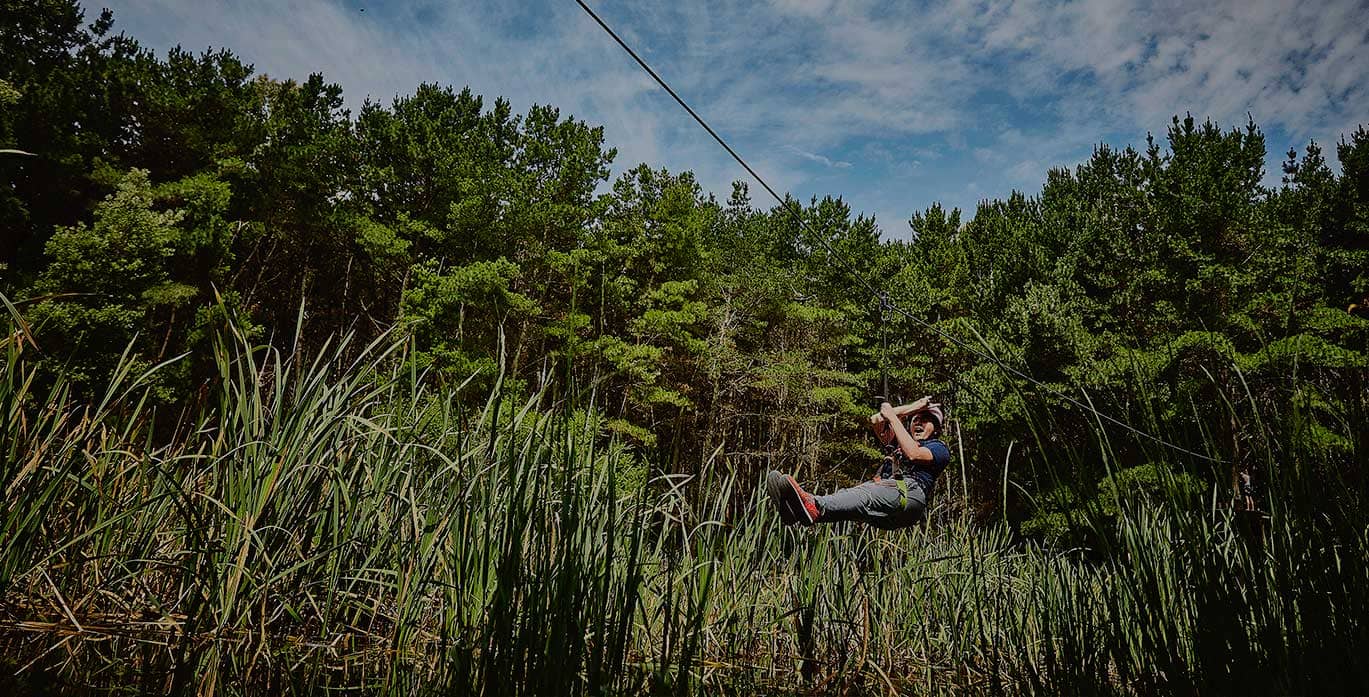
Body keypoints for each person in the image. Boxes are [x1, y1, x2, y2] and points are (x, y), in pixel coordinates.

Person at [766, 396, 951, 529]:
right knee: (852, 501)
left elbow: (913, 453)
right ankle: (798, 514)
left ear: (936, 429)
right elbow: (877, 419)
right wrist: (912, 407)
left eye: (926, 420)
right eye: (916, 419)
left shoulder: (937, 447)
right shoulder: (897, 443)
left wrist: (893, 416)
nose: (919, 423)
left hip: (909, 495)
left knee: (865, 494)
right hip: (891, 508)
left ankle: (814, 503)